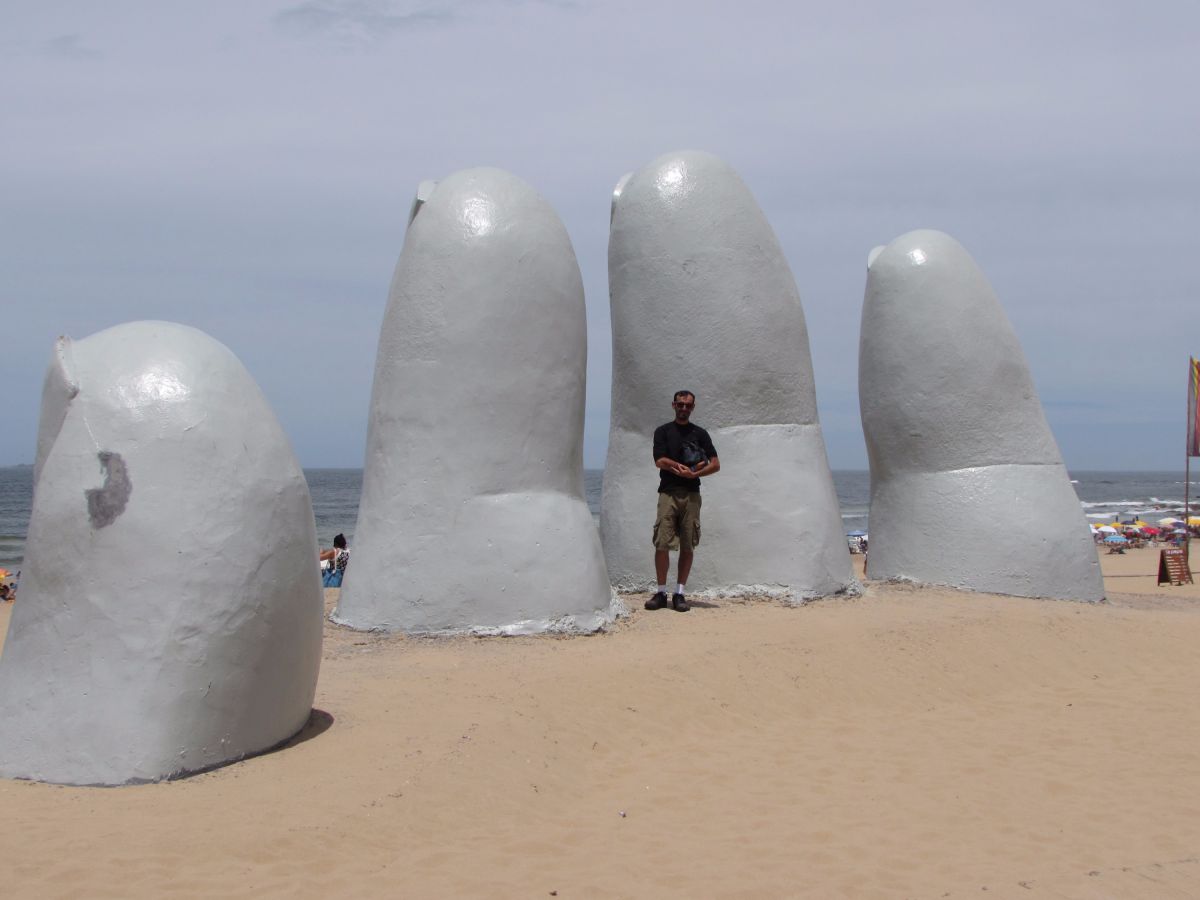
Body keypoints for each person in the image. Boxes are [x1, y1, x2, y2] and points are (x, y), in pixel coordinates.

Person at [647, 390, 720, 612]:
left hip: (692, 494)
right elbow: (659, 460)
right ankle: (661, 592)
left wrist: (694, 474)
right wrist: (677, 467)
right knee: (662, 543)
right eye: (680, 404)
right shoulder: (663, 431)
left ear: (693, 407)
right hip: (668, 493)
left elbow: (715, 464)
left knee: (688, 544)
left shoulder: (700, 433)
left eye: (688, 405)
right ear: (674, 405)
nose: (684, 408)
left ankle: (679, 593)